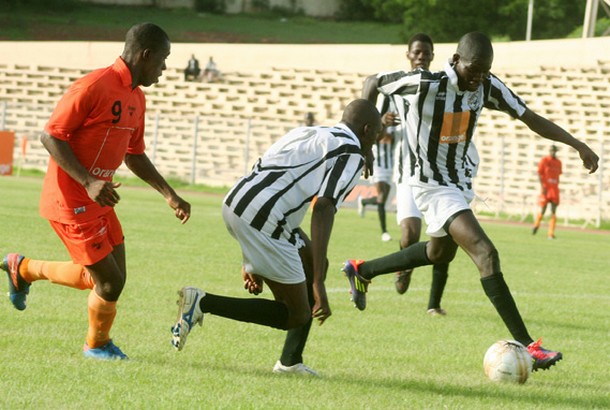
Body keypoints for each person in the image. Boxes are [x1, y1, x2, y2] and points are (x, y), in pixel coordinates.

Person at [342, 32, 599, 371]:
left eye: (484, 71)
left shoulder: (487, 86)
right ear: (455, 61)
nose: (478, 77)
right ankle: (528, 346)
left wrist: (576, 143)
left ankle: (361, 270)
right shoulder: (426, 83)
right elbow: (372, 82)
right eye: (473, 70)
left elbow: (529, 116)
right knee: (485, 253)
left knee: (438, 253)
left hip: (459, 183)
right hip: (431, 184)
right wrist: (367, 142)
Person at [1, 23, 191, 360]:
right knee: (109, 284)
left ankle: (23, 268)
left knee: (108, 280)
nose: (163, 70)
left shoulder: (136, 97)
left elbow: (134, 153)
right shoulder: (93, 86)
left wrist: (169, 194)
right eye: (162, 61)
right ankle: (96, 345)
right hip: (71, 199)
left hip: (99, 200)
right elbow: (51, 136)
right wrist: (89, 182)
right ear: (145, 55)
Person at [171, 99, 382, 376]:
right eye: (377, 135)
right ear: (367, 130)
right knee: (297, 313)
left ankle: (290, 362)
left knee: (313, 260)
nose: (377, 142)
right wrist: (318, 283)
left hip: (237, 201)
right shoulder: (351, 153)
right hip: (265, 218)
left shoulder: (310, 132)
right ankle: (202, 302)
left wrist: (251, 260)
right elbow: (323, 207)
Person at [362, 32, 455, 315]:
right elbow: (373, 127)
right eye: (417, 52)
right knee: (409, 235)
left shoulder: (438, 86)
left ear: (432, 56)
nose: (421, 57)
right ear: (408, 54)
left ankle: (434, 304)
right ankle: (405, 265)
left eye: (426, 53)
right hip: (406, 174)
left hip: (437, 176)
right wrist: (381, 123)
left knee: (446, 236)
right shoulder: (394, 87)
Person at [357, 123, 395, 242]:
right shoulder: (377, 126)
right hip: (377, 165)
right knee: (381, 197)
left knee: (382, 199)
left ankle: (363, 201)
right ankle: (384, 232)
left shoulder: (395, 127)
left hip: (390, 166)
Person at [533, 145, 562, 239]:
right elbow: (539, 173)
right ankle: (536, 225)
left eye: (554, 151)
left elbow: (558, 175)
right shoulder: (544, 160)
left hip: (554, 189)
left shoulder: (558, 162)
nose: (553, 152)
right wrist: (542, 186)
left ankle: (551, 233)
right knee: (543, 209)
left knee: (553, 211)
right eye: (551, 151)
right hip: (546, 188)